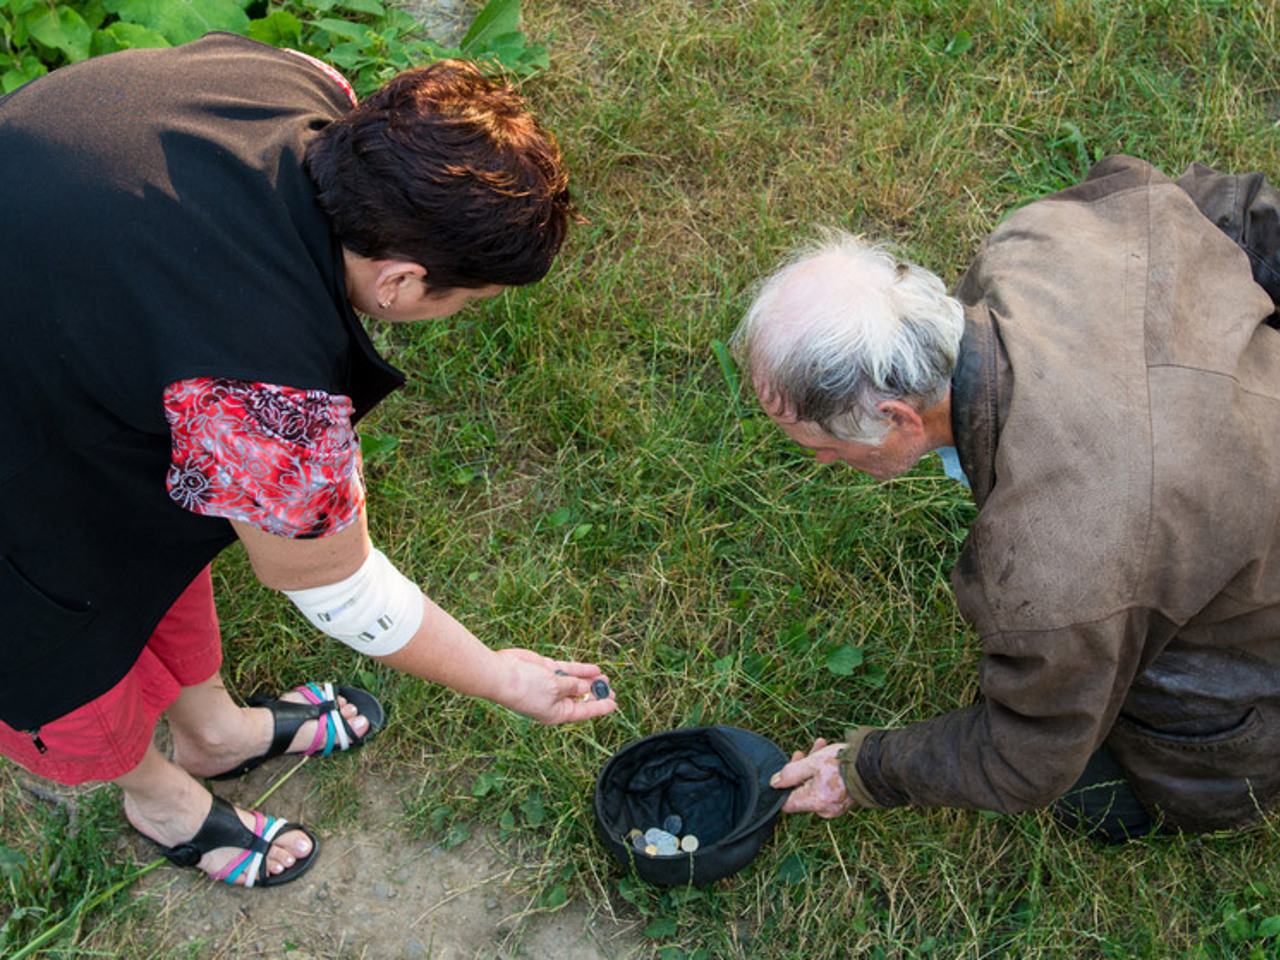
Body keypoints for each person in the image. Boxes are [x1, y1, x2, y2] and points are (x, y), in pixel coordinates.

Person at [0, 32, 615, 889]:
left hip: (49, 316)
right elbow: (335, 583)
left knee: (153, 551)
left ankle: (213, 732)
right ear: (399, 281)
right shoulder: (263, 398)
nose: (465, 313)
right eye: (469, 299)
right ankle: (158, 798)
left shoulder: (299, 84)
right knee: (55, 644)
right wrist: (498, 675)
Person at [731, 155, 1280, 841]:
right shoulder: (1040, 236)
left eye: (818, 444)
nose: (818, 459)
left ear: (899, 419)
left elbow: (1027, 759)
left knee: (1097, 796)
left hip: (1251, 660)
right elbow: (1233, 209)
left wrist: (868, 767)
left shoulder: (1053, 568)